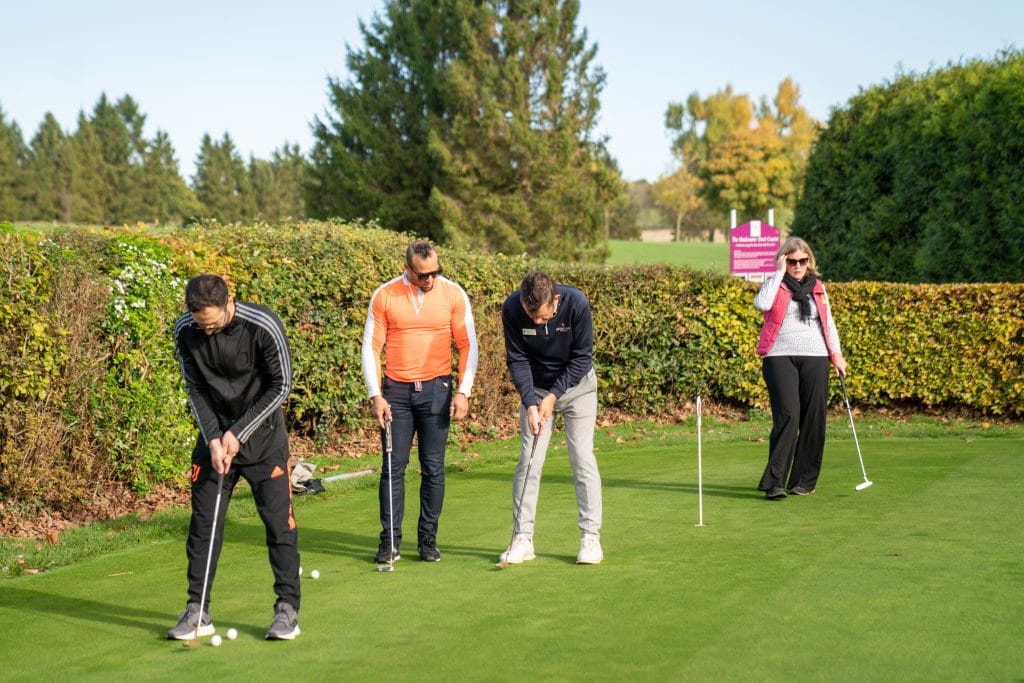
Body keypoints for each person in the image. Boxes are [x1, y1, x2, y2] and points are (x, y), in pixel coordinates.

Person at [167, 274, 301, 641]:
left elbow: (282, 385)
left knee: (279, 525)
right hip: (215, 440)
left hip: (264, 440)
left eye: (213, 324)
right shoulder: (185, 330)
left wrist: (237, 433)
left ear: (230, 303)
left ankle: (287, 608)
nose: (207, 332)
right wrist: (213, 438)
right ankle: (198, 609)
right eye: (201, 325)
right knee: (203, 524)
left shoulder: (263, 325)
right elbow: (194, 386)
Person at [361, 240, 479, 563]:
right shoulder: (385, 295)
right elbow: (371, 347)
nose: (430, 279)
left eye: (435, 273)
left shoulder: (452, 294)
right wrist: (376, 394)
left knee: (432, 468)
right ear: (408, 269)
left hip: (437, 389)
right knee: (392, 467)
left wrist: (463, 391)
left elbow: (468, 344)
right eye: (424, 274)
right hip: (396, 393)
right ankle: (391, 543)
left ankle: (427, 540)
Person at [498, 271, 604, 565]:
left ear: (555, 300)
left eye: (543, 317)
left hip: (578, 388)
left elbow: (582, 358)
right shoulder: (511, 309)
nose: (536, 323)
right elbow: (517, 358)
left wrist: (554, 395)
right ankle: (522, 539)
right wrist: (530, 402)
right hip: (536, 389)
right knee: (529, 461)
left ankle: (590, 538)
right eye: (531, 316)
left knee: (582, 457)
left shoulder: (576, 304)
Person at [754, 237, 847, 500]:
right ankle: (774, 483)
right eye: (792, 261)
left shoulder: (818, 287)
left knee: (813, 418)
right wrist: (778, 272)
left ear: (809, 261)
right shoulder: (776, 284)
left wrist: (836, 355)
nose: (797, 266)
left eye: (802, 261)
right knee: (788, 416)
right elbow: (762, 304)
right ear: (784, 260)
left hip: (816, 356)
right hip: (779, 356)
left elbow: (828, 324)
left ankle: (804, 480)